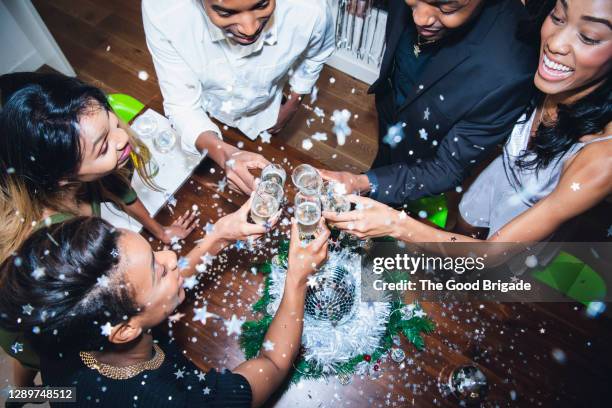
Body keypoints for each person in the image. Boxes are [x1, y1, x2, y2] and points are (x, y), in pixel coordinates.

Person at [0, 72, 273, 385]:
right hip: (26, 332)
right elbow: (141, 291)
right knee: (35, 365)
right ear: (63, 176)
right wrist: (217, 237)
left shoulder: (82, 173)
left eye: (111, 122)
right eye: (102, 147)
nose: (122, 139)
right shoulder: (56, 245)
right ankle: (19, 396)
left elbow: (118, 190)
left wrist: (160, 230)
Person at [323, 0, 611, 247]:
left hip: (515, 236)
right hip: (482, 192)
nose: (554, 43)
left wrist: (395, 224)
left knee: (487, 288)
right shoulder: (549, 76)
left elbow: (492, 256)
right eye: (558, 17)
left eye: (589, 36)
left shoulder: (601, 159)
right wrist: (362, 181)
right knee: (451, 256)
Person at [0, 216, 330, 407]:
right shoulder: (176, 400)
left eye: (155, 251)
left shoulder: (65, 333)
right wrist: (298, 279)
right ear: (124, 330)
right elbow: (272, 364)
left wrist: (217, 237)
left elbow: (140, 291)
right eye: (159, 268)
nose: (172, 257)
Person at [320, 0, 538, 206]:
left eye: (446, 7)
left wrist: (366, 183)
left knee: (402, 201)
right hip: (391, 101)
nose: (420, 18)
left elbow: (448, 167)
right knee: (385, 157)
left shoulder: (510, 69)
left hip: (426, 151)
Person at [142, 0, 335, 194]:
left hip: (268, 111)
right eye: (225, 13)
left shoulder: (312, 9)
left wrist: (292, 104)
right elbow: (182, 106)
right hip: (207, 110)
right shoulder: (163, 11)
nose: (249, 29)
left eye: (262, 5)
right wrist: (226, 154)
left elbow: (316, 56)